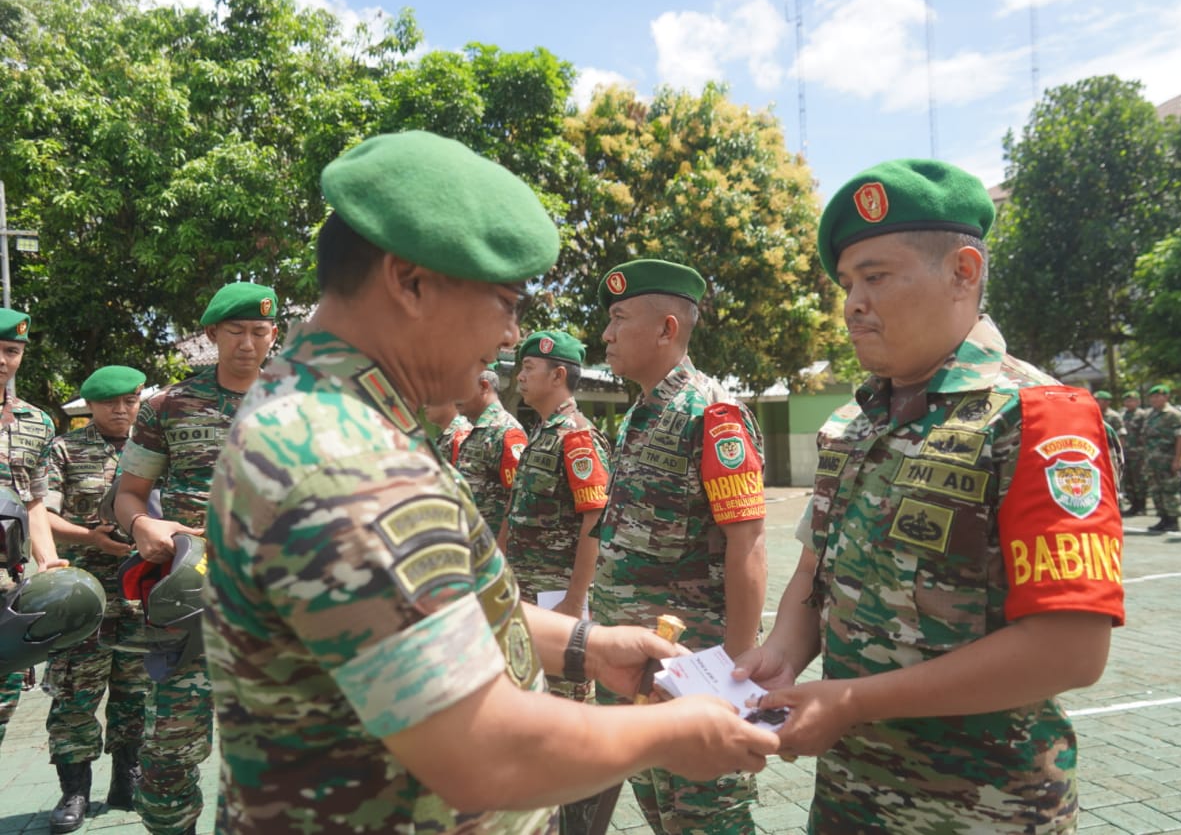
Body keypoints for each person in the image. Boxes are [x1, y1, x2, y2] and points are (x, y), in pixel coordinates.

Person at [202, 130, 779, 835]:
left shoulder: (327, 417)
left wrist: (585, 645)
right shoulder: (344, 459)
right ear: (410, 282)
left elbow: (422, 611)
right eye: (505, 303)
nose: (511, 337)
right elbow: (482, 750)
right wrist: (673, 733)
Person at [734, 159, 1125, 833]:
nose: (853, 301)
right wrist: (782, 656)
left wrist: (853, 699)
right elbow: (814, 577)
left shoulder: (1039, 415)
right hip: (850, 799)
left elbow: (1070, 648)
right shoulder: (859, 424)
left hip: (983, 810)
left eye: (876, 276)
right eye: (849, 282)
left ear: (963, 272)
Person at [594, 258, 769, 835]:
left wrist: (734, 679)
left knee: (708, 819)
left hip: (695, 674)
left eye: (619, 319)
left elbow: (748, 543)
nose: (606, 334)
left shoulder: (712, 416)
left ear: (667, 329)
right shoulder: (639, 416)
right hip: (639, 668)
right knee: (662, 815)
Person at [114, 282, 278, 835]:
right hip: (192, 604)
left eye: (260, 331)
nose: (248, 344)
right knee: (168, 757)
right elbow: (128, 492)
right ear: (212, 335)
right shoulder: (167, 405)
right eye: (236, 332)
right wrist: (141, 524)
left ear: (274, 333)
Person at [498, 329, 612, 833]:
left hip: (557, 600)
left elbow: (595, 519)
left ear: (558, 375)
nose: (520, 376)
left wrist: (575, 599)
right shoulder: (542, 433)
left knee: (566, 718)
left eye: (528, 369)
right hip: (528, 598)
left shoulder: (577, 436)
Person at [43, 365, 149, 832]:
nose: (122, 410)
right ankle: (74, 792)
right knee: (74, 697)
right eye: (111, 403)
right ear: (91, 405)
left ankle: (128, 780)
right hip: (81, 601)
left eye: (130, 400)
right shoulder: (66, 449)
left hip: (141, 598)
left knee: (135, 694)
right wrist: (91, 538)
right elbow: (41, 516)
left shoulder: (151, 447)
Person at [0, 306, 66, 751]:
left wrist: (47, 560)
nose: (3, 361)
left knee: (3, 702)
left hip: (8, 584)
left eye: (11, 351)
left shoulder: (36, 423)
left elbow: (36, 500)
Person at [455, 366, 527, 529]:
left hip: (493, 544)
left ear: (483, 387)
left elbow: (517, 499)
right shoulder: (479, 428)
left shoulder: (505, 431)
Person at [1142, 385, 1181, 534]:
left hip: (1168, 459)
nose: (1154, 399)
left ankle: (1173, 520)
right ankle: (1163, 518)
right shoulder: (1150, 414)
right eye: (1152, 397)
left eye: (1158, 396)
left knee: (1170, 490)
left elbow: (1180, 438)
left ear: (1166, 397)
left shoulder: (1173, 414)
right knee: (1156, 490)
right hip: (1152, 460)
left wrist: (1178, 459)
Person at [1120, 390, 1148, 516]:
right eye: (1126, 400)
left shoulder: (1142, 415)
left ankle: (1142, 506)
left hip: (1139, 453)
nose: (1129, 403)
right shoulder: (1123, 415)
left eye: (1132, 400)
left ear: (1138, 402)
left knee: (1139, 480)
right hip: (1126, 452)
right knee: (1128, 480)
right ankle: (1133, 504)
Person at [426, 401, 471, 466]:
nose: (424, 405)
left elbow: (465, 474)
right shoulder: (446, 435)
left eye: (431, 398)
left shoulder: (462, 435)